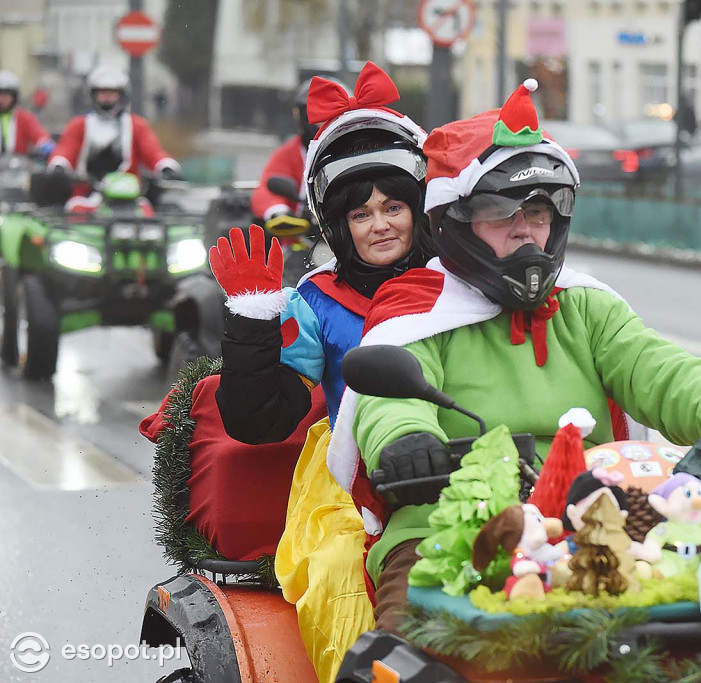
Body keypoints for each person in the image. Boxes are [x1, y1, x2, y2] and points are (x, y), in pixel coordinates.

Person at [326, 79, 701, 631]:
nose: (524, 233)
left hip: (597, 515)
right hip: (449, 520)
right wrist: (408, 444)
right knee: (408, 636)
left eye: (538, 214)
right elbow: (390, 399)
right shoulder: (416, 308)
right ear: (453, 223)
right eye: (500, 214)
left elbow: (666, 373)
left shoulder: (586, 305)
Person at [206, 62, 431, 683]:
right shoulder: (320, 301)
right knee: (340, 576)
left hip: (456, 456)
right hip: (347, 476)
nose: (380, 224)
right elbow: (259, 419)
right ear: (338, 226)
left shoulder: (458, 286)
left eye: (393, 207)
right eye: (360, 215)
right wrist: (252, 324)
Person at [47, 65, 182, 182]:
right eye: (102, 92)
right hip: (85, 195)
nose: (107, 98)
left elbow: (153, 152)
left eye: (112, 93)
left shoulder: (136, 125)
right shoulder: (78, 125)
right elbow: (65, 149)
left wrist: (166, 166)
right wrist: (59, 165)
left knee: (146, 210)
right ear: (93, 95)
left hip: (131, 196)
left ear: (122, 95)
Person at [250, 76, 344, 223]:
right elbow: (267, 189)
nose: (324, 120)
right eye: (317, 113)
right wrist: (278, 212)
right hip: (304, 238)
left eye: (332, 111)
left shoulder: (360, 149)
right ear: (299, 114)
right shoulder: (289, 153)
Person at [0, 70, 54, 157]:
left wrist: (46, 146)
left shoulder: (24, 118)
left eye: (6, 95)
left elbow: (40, 136)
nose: (2, 99)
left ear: (14, 96)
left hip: (17, 167)